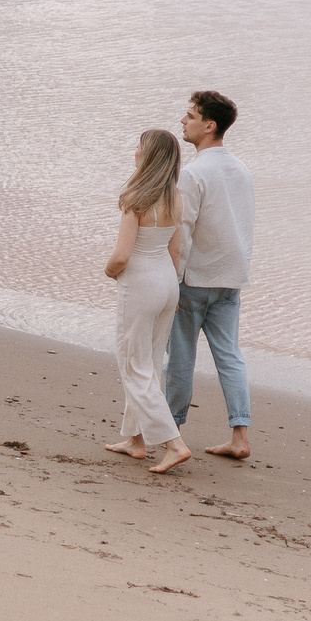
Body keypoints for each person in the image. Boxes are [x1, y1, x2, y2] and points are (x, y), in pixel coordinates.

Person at [163, 90, 256, 459]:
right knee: (230, 356)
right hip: (231, 277)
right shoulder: (242, 168)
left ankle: (174, 435)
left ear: (209, 125)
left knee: (181, 359)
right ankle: (240, 435)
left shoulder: (193, 173)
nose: (183, 121)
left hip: (195, 279)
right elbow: (244, 226)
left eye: (190, 115)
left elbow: (182, 232)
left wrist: (172, 280)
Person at [101, 128, 192, 474]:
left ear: (148, 155)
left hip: (140, 284)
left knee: (132, 364)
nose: (134, 151)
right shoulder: (176, 198)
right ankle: (136, 439)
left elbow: (122, 256)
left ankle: (174, 443)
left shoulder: (135, 197)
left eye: (138, 146)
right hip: (168, 283)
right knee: (150, 363)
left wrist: (109, 272)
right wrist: (175, 289)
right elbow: (176, 250)